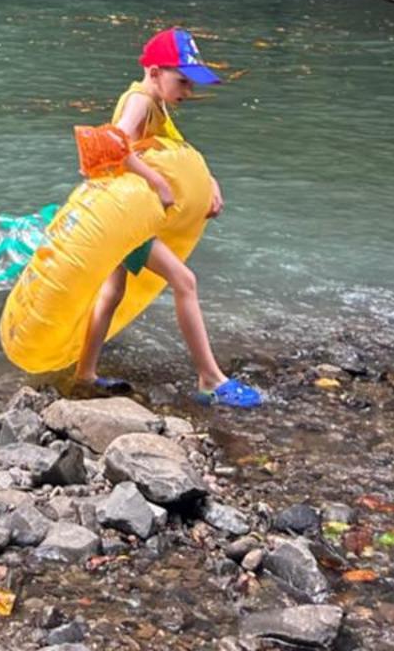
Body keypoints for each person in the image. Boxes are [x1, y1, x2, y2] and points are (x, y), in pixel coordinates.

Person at [74, 26, 265, 408]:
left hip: (124, 210)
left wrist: (208, 182)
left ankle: (84, 375)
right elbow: (111, 144)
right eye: (183, 81)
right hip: (128, 215)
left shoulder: (155, 101)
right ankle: (210, 377)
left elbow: (175, 148)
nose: (188, 92)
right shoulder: (141, 100)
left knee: (113, 291)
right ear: (156, 71)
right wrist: (157, 181)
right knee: (185, 282)